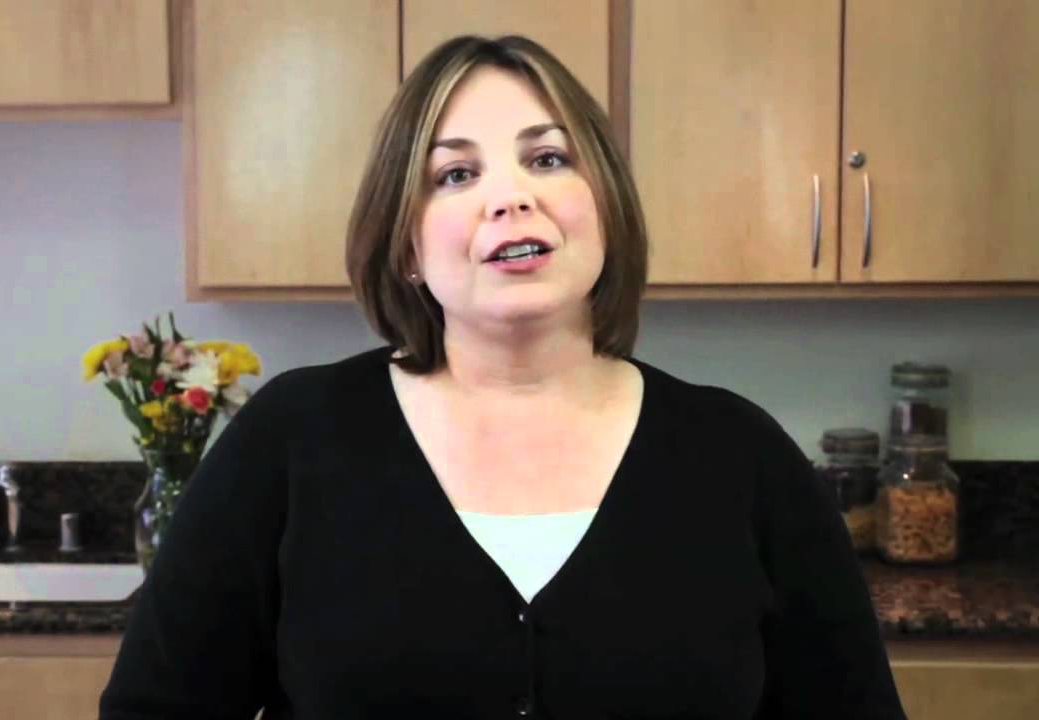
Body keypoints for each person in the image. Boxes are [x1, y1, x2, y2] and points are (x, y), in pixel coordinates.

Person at [99, 35, 906, 719]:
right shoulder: (291, 440)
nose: (510, 198)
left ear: (606, 205)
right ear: (406, 246)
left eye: (548, 159)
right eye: (456, 175)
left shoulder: (740, 456)